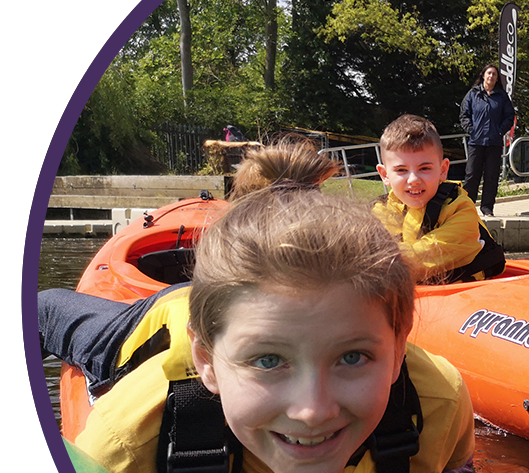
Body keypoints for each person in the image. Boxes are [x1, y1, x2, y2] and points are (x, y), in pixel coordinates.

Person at [60, 186, 475, 473]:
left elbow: (455, 471)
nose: (312, 410)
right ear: (206, 361)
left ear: (398, 347)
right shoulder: (124, 444)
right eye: (267, 360)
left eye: (353, 357)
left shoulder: (437, 402)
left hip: (229, 320)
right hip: (142, 329)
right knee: (45, 310)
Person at [39, 142, 339, 396]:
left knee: (45, 305)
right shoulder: (351, 297)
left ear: (233, 220)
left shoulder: (199, 306)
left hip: (157, 326)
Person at [373, 114, 505, 283]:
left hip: (463, 297)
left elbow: (417, 259)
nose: (413, 179)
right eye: (401, 170)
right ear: (384, 175)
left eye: (425, 168)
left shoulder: (460, 209)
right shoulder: (381, 210)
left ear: (443, 170)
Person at [459, 63, 515, 218]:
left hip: (494, 143)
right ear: (483, 75)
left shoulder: (502, 97)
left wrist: (499, 131)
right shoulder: (473, 94)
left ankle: (487, 209)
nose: (491, 76)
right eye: (489, 73)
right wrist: (472, 130)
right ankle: (467, 208)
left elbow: (509, 117)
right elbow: (464, 115)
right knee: (471, 176)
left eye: (494, 74)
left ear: (497, 79)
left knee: (491, 177)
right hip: (476, 142)